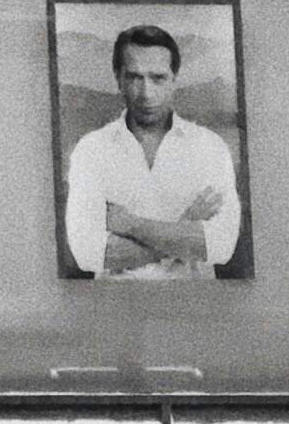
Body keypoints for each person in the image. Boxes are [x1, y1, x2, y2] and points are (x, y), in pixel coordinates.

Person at [63, 21, 241, 279]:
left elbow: (221, 247)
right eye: (134, 77)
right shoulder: (91, 150)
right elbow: (88, 255)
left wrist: (130, 225)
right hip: (113, 310)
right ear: (118, 80)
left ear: (174, 80)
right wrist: (187, 223)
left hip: (195, 307)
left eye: (158, 78)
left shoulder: (210, 147)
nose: (146, 92)